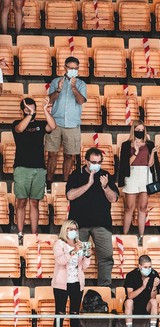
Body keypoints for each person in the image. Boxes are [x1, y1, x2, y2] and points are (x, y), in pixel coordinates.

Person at [66, 147, 118, 286]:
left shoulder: (105, 175)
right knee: (76, 257)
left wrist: (105, 186)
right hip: (79, 225)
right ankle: (75, 285)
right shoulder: (76, 174)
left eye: (99, 162)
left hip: (102, 224)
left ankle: (105, 288)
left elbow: (113, 198)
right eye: (93, 161)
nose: (97, 164)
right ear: (86, 161)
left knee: (106, 258)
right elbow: (70, 195)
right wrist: (88, 184)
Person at [12, 98, 56, 242]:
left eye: (32, 108)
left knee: (35, 203)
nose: (30, 111)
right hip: (21, 168)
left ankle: (34, 234)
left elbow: (53, 126)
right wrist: (30, 115)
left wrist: (44, 110)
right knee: (21, 202)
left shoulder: (41, 124)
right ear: (22, 111)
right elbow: (19, 129)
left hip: (39, 168)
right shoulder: (16, 124)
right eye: (27, 109)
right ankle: (20, 233)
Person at [118, 120, 160, 240]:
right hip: (132, 175)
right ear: (133, 130)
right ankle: (125, 236)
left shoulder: (149, 144)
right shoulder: (126, 145)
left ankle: (141, 236)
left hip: (145, 175)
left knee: (142, 208)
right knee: (129, 207)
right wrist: (136, 153)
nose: (140, 132)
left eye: (142, 130)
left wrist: (153, 153)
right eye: (137, 130)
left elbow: (150, 164)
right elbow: (125, 164)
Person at [46, 56, 87, 188]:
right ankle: (49, 181)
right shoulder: (56, 81)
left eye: (75, 68)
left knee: (69, 155)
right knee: (52, 154)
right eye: (70, 68)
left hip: (72, 124)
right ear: (65, 68)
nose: (73, 70)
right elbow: (50, 100)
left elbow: (81, 101)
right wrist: (58, 89)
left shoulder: (81, 84)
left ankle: (66, 183)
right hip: (55, 123)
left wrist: (74, 88)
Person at [52, 220, 91, 327]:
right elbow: (60, 261)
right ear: (65, 230)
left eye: (75, 229)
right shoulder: (59, 243)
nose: (74, 231)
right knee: (60, 313)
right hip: (61, 283)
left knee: (75, 314)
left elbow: (84, 266)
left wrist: (87, 256)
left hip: (77, 283)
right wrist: (73, 251)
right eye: (71, 229)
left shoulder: (80, 244)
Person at [123, 255, 160, 327]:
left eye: (150, 267)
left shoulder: (154, 274)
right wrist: (143, 287)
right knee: (128, 302)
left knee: (154, 301)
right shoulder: (131, 275)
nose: (148, 269)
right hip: (133, 305)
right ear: (139, 266)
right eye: (145, 267)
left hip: (146, 305)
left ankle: (153, 325)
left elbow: (153, 297)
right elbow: (130, 296)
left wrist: (154, 287)